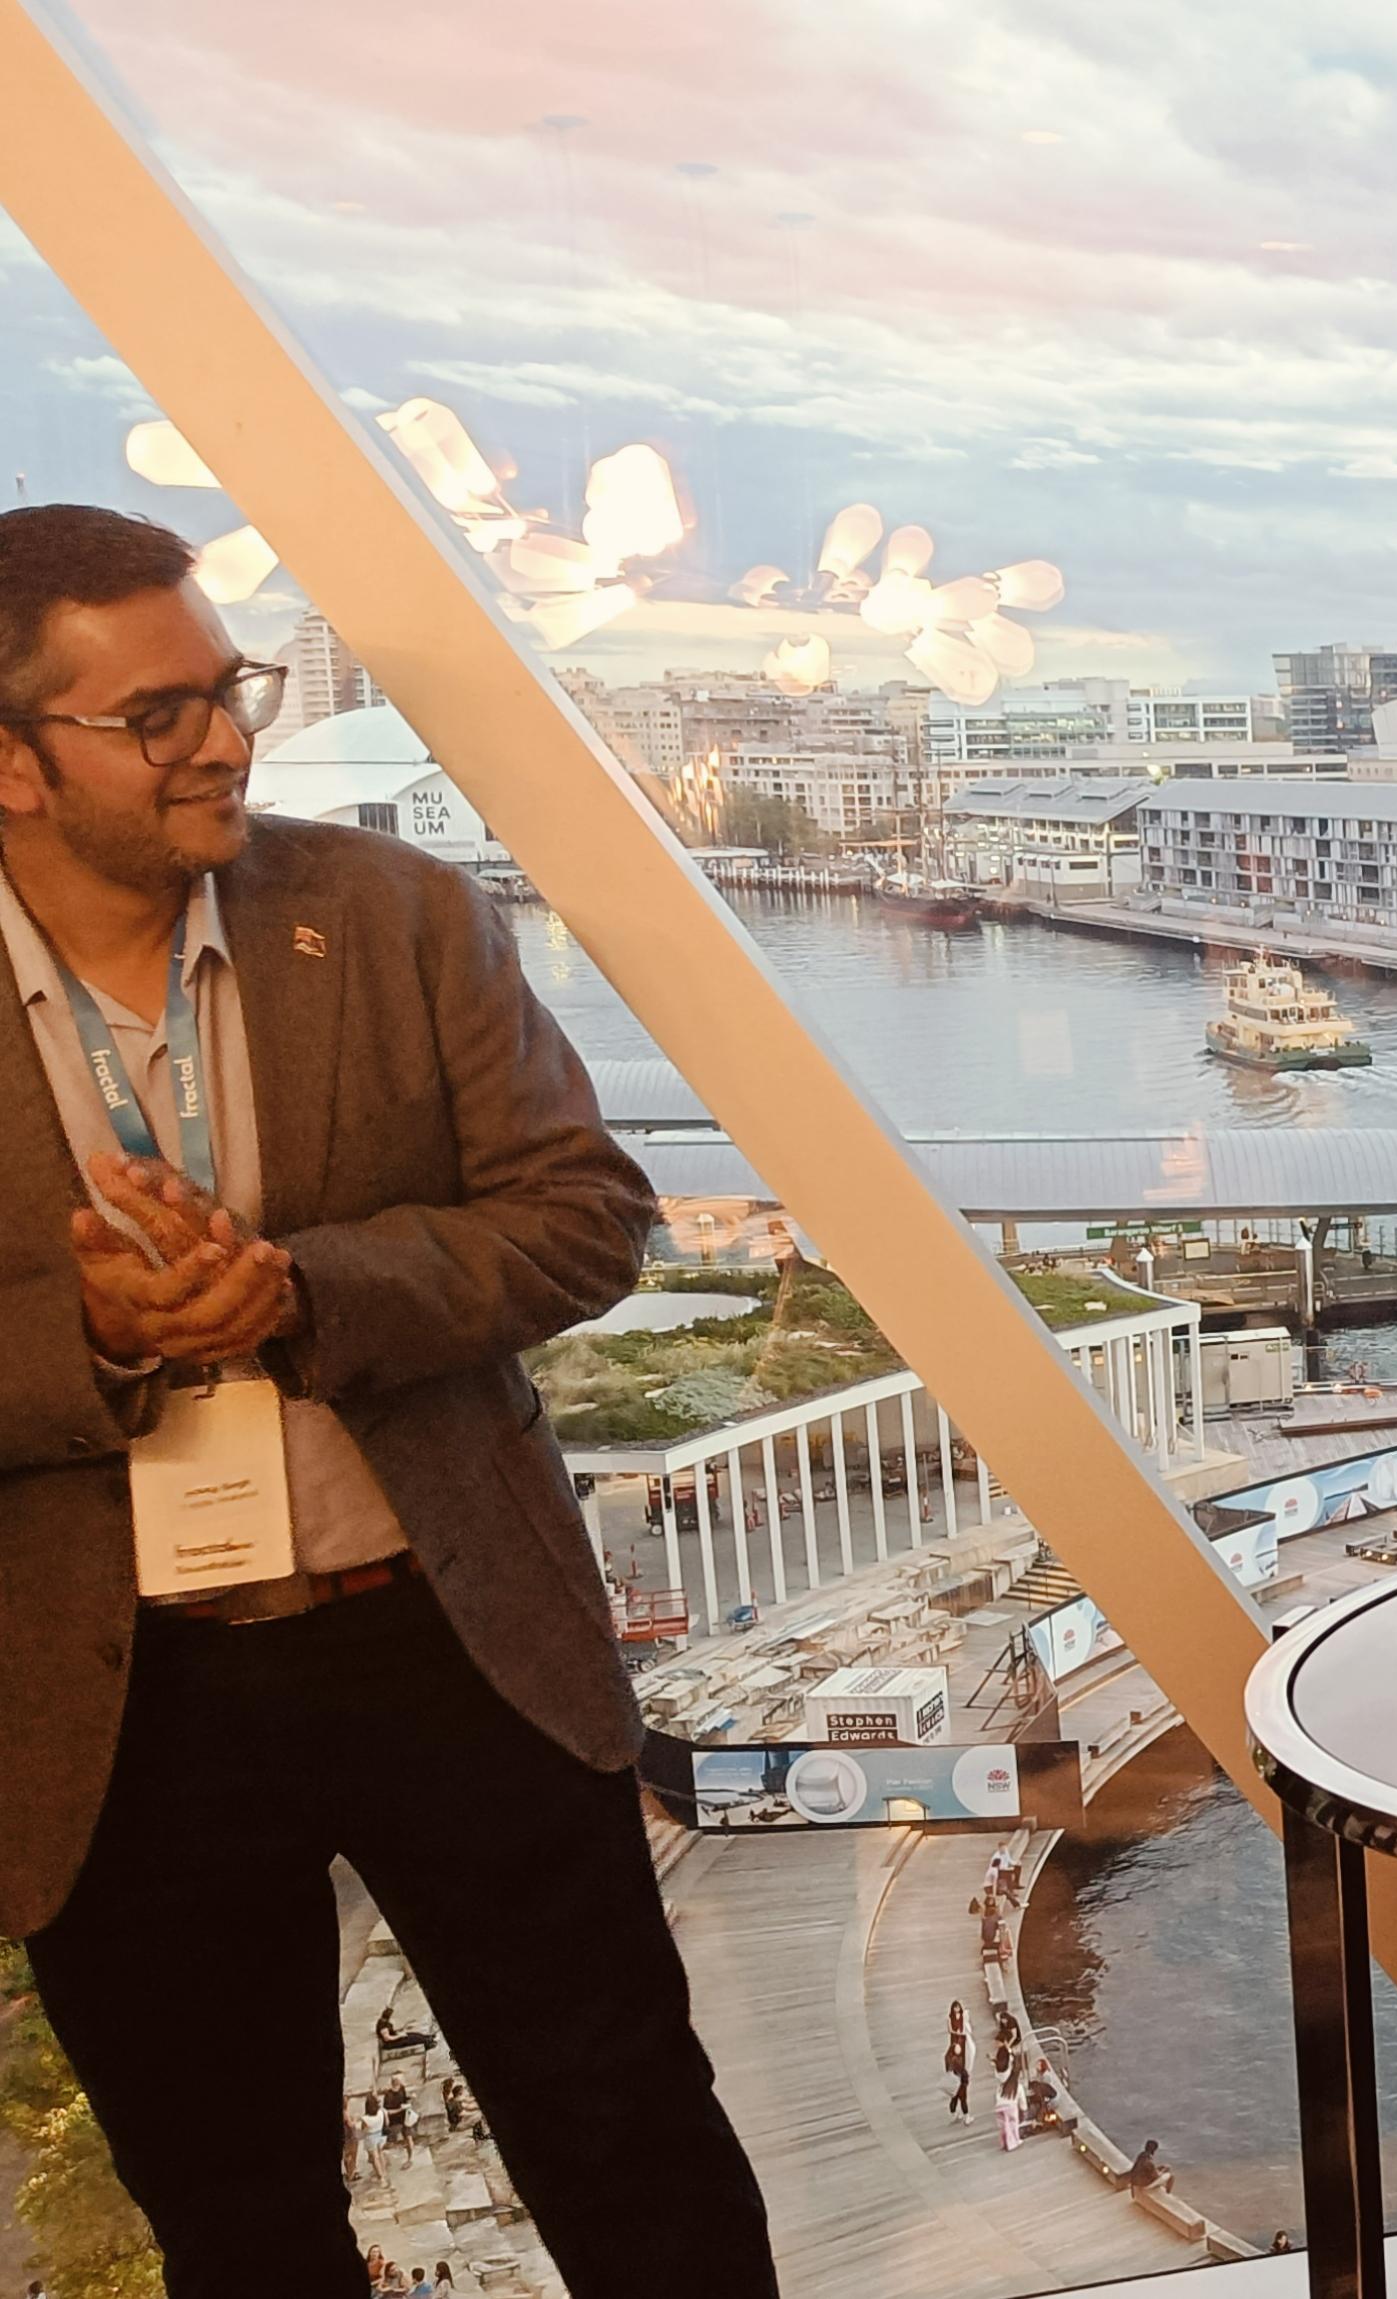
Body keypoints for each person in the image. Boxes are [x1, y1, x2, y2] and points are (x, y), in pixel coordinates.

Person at [0, 506, 773, 2296]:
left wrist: (300, 1292)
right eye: (158, 715)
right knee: (239, 2221)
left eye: (231, 689)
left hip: (447, 1636)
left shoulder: (391, 913)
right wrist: (93, 1335)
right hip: (117, 1708)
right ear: (13, 764)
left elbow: (587, 1216)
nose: (225, 741)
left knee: (634, 2148)